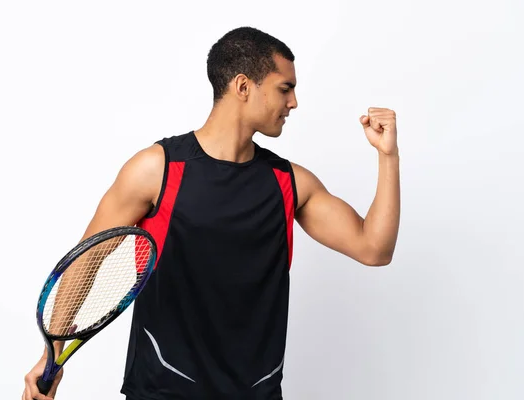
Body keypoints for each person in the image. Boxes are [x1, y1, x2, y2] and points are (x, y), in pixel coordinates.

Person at [23, 26, 400, 400]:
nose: (294, 102)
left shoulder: (290, 183)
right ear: (242, 86)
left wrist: (388, 156)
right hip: (162, 391)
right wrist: (52, 354)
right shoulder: (158, 169)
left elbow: (374, 249)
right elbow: (86, 261)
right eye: (285, 88)